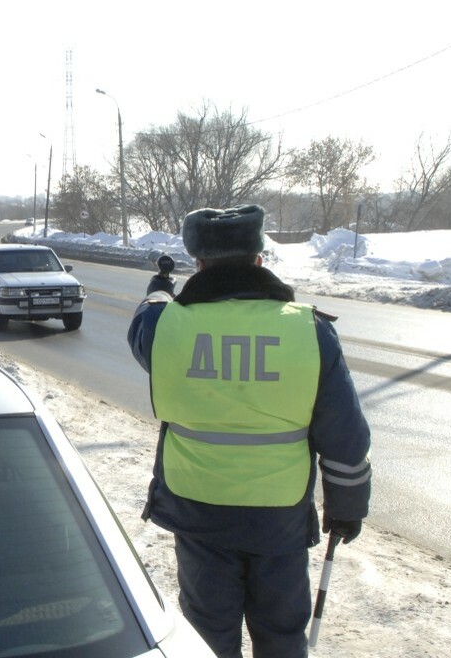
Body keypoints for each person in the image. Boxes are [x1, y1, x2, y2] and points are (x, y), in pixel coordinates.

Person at [126, 204, 372, 658]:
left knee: (207, 633)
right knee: (281, 634)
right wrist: (346, 507)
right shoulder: (309, 331)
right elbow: (345, 436)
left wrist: (159, 288)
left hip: (198, 508)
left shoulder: (167, 328)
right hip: (278, 516)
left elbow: (144, 321)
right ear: (260, 258)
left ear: (198, 263)